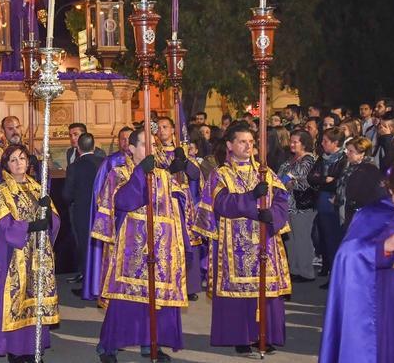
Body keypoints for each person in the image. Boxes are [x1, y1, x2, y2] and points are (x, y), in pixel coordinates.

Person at [193, 124, 291, 357]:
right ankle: (241, 337)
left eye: (251, 142)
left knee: (265, 291)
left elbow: (281, 200)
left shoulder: (265, 171)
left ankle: (264, 335)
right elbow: (222, 205)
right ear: (229, 145)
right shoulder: (220, 174)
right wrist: (251, 198)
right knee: (239, 293)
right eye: (242, 141)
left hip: (264, 242)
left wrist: (272, 216)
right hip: (233, 244)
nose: (248, 146)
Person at [96, 127, 189, 363]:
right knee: (124, 300)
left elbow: (179, 203)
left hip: (161, 248)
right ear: (132, 148)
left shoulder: (163, 175)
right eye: (145, 144)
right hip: (131, 249)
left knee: (156, 300)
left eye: (153, 145)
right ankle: (109, 347)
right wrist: (140, 173)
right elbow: (125, 201)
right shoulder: (118, 173)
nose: (152, 149)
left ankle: (151, 344)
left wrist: (178, 184)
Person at [319, 157, 394, 362]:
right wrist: (382, 248)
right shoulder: (372, 215)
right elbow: (346, 257)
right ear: (391, 189)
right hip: (384, 302)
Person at [0, 144, 59, 363]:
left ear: (29, 162)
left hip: (38, 256)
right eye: (13, 159)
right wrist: (31, 227)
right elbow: (2, 226)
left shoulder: (37, 188)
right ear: (6, 165)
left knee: (36, 302)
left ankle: (34, 348)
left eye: (22, 158)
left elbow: (53, 223)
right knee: (17, 302)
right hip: (14, 257)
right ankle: (16, 351)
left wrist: (47, 211)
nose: (19, 163)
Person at [152, 116, 203, 300]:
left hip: (184, 202)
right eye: (159, 127)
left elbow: (197, 175)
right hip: (165, 200)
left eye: (165, 126)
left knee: (187, 240)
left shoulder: (183, 150)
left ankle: (189, 286)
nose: (162, 130)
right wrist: (169, 171)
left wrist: (185, 163)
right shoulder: (154, 152)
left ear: (173, 130)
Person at [83, 126, 134, 301]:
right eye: (122, 139)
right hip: (115, 217)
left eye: (129, 138)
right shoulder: (111, 162)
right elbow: (99, 191)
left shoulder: (142, 162)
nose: (126, 142)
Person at [63, 132, 104, 291]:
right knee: (101, 247)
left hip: (82, 213)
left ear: (78, 148)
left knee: (85, 247)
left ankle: (88, 285)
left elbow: (67, 194)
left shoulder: (74, 167)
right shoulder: (104, 163)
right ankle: (102, 284)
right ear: (94, 147)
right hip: (102, 212)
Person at [309, 128, 348, 286]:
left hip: (334, 204)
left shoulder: (343, 159)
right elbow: (311, 177)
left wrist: (325, 181)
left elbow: (339, 182)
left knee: (334, 239)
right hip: (322, 201)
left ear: (336, 143)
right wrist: (325, 179)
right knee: (324, 238)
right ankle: (329, 270)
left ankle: (336, 276)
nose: (322, 144)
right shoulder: (321, 158)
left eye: (326, 141)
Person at [278, 130, 317, 282]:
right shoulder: (291, 159)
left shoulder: (308, 160)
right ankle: (294, 269)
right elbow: (280, 176)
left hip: (302, 206)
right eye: (291, 141)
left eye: (296, 142)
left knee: (302, 238)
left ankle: (306, 272)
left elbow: (300, 180)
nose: (292, 144)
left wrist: (289, 183)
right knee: (290, 240)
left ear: (304, 143)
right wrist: (288, 182)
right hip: (287, 205)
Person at [0, 116, 38, 189]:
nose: (15, 132)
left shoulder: (29, 148)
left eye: (17, 127)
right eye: (10, 129)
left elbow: (42, 175)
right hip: (6, 195)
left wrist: (37, 165)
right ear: (3, 131)